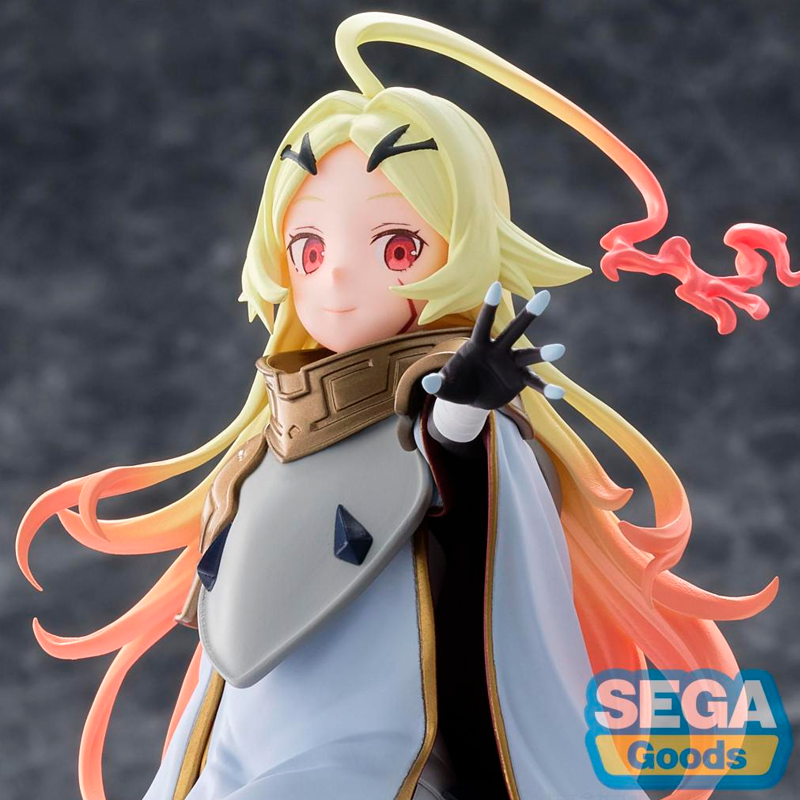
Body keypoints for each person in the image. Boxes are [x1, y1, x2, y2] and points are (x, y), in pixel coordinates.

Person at [16, 12, 790, 800]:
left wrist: (458, 419)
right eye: (309, 249)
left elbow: (473, 538)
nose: (336, 277)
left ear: (462, 248)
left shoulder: (455, 423)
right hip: (244, 737)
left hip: (379, 748)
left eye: (396, 247)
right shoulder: (269, 440)